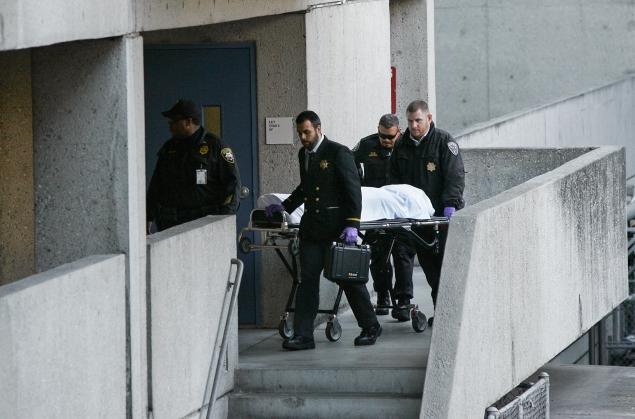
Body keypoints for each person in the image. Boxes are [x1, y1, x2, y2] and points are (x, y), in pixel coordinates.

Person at [265, 110, 381, 350]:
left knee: (348, 279)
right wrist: (283, 207)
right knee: (306, 280)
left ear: (318, 128)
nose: (303, 138)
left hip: (338, 228)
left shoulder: (338, 152)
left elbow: (353, 189)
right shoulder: (304, 155)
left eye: (306, 132)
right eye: (300, 134)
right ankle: (304, 335)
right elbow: (305, 188)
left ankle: (370, 326)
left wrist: (352, 223)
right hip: (313, 229)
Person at [389, 100, 465, 325]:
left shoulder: (443, 141)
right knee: (427, 266)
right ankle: (433, 310)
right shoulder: (402, 145)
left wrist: (450, 204)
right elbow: (394, 179)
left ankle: (446, 315)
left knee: (441, 267)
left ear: (429, 118)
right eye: (410, 121)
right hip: (415, 219)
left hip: (440, 216)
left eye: (418, 121)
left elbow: (455, 175)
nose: (414, 126)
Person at [147, 99, 241, 232]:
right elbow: (156, 185)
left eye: (174, 122)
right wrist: (148, 216)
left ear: (188, 122)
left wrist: (221, 221)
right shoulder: (169, 148)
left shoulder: (215, 146)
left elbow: (233, 185)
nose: (170, 126)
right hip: (171, 224)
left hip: (203, 224)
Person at [352, 114, 404, 315]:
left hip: (398, 208)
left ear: (398, 132)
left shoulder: (404, 146)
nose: (386, 141)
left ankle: (403, 300)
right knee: (378, 255)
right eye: (383, 136)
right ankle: (383, 295)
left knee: (401, 254)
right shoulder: (367, 144)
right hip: (375, 209)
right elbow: (349, 162)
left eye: (391, 137)